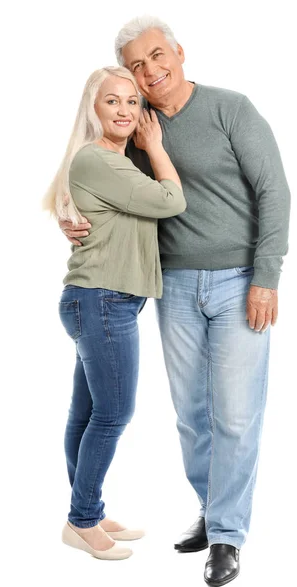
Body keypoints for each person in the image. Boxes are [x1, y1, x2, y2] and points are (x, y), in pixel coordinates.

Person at [59, 16, 291, 585]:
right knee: (191, 415)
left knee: (235, 415)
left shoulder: (230, 108)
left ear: (179, 52)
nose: (150, 70)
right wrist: (69, 213)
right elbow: (102, 180)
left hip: (239, 280)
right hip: (174, 285)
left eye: (157, 55)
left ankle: (227, 537)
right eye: (137, 65)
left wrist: (266, 275)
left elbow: (274, 191)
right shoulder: (135, 124)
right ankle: (212, 510)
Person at [43, 65, 186, 561]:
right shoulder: (101, 161)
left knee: (87, 414)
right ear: (93, 108)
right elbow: (171, 200)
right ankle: (81, 520)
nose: (125, 110)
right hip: (102, 300)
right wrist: (158, 148)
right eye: (112, 101)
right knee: (113, 413)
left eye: (132, 102)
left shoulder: (113, 162)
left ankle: (88, 510)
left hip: (100, 299)